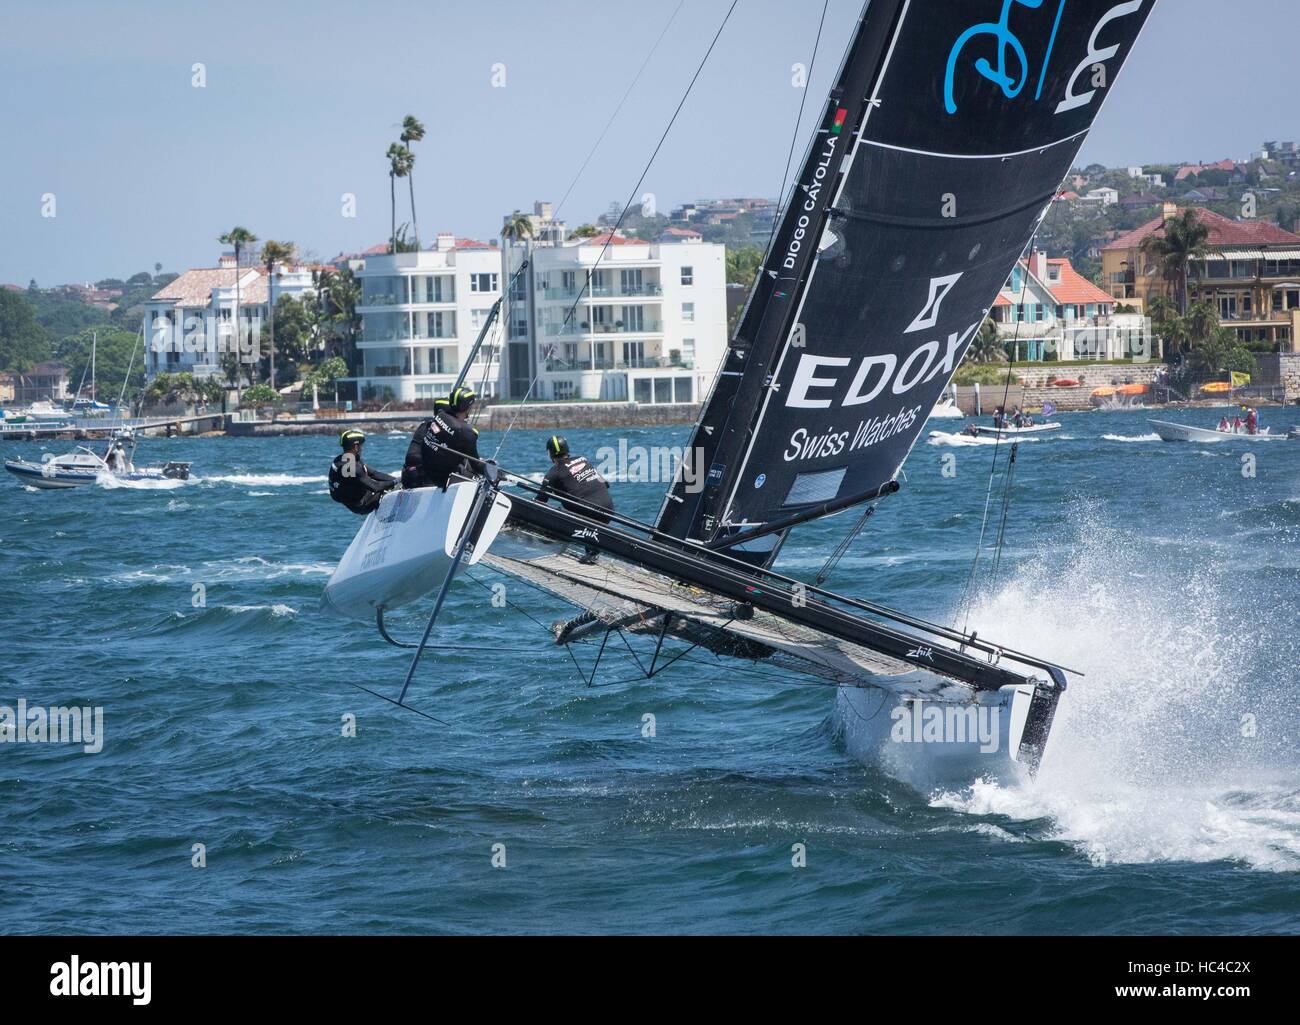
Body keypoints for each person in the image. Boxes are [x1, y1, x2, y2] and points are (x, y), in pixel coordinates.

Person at [402, 387, 481, 490]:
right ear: (468, 407)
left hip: (416, 474)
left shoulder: (438, 418)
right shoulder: (467, 432)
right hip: (435, 479)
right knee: (477, 478)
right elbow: (476, 464)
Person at [329, 429, 397, 515]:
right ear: (356, 447)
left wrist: (398, 479)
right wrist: (396, 482)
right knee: (392, 489)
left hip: (356, 498)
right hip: (362, 505)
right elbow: (375, 487)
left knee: (390, 484)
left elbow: (374, 474)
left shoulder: (342, 458)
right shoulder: (351, 467)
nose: (362, 448)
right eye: (361, 446)